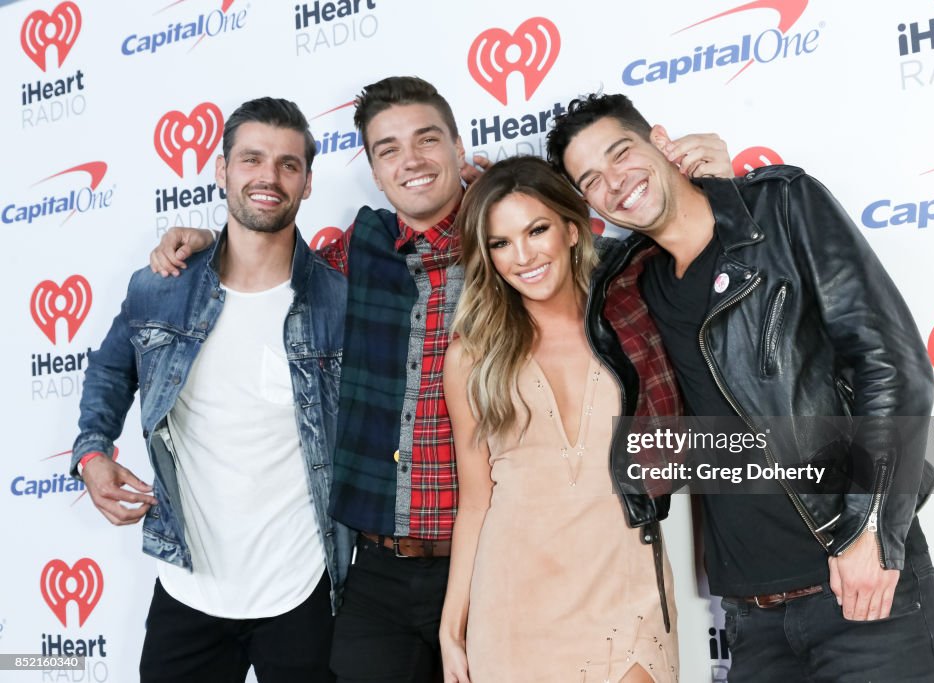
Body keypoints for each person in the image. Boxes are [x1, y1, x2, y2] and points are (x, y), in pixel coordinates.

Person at [148, 76, 733, 682]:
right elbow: (264, 273)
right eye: (388, 149)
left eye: (427, 140)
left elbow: (688, 261)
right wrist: (209, 249)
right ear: (373, 170)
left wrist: (715, 186)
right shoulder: (355, 256)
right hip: (388, 568)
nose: (411, 160)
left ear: (458, 147)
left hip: (560, 572)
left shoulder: (616, 291)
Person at [546, 93, 934, 682]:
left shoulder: (781, 208)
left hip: (852, 582)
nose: (616, 182)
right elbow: (529, 252)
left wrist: (870, 533)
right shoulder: (630, 284)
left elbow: (892, 367)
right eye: (592, 179)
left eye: (621, 153)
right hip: (749, 616)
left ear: (661, 142)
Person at [72, 97, 346, 683]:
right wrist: (92, 452)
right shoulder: (160, 286)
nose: (268, 177)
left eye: (288, 164)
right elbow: (110, 370)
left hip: (302, 589)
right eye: (251, 159)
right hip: (187, 585)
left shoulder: (337, 299)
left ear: (307, 182)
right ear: (221, 171)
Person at [439, 156, 679, 683]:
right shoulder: (471, 358)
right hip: (513, 608)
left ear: (573, 229)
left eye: (537, 229)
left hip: (624, 589)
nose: (522, 256)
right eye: (500, 243)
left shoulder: (635, 323)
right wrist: (450, 628)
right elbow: (476, 501)